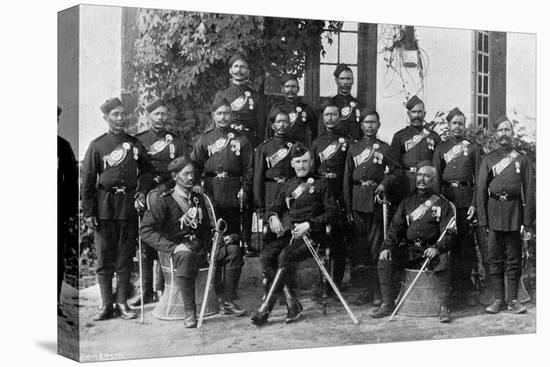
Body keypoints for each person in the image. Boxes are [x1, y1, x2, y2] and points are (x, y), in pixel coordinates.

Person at [140, 155, 243, 328]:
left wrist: (218, 239)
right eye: (186, 174)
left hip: (203, 249)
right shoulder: (163, 200)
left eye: (192, 174)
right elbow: (145, 231)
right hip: (179, 253)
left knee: (233, 251)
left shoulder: (199, 198)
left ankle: (227, 300)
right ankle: (190, 312)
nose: (190, 178)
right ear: (175, 176)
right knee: (186, 256)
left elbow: (206, 228)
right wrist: (173, 247)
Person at [81, 97, 153, 321]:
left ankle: (122, 302)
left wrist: (141, 192)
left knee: (124, 255)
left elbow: (148, 172)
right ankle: (106, 305)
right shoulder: (97, 145)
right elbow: (88, 181)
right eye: (115, 115)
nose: (120, 118)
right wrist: (90, 212)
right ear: (106, 118)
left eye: (123, 114)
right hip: (104, 205)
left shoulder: (134, 144)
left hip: (128, 205)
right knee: (104, 257)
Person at [250, 143, 336, 326]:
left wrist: (310, 224)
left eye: (305, 161)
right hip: (292, 235)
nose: (302, 165)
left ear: (311, 162)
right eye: (298, 161)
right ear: (292, 164)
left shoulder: (321, 184)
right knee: (266, 255)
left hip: (314, 236)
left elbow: (332, 213)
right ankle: (291, 302)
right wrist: (272, 217)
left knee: (285, 256)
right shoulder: (288, 186)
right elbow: (273, 207)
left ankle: (266, 308)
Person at [370, 161, 456, 323]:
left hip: (430, 251)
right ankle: (388, 304)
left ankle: (444, 307)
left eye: (426, 176)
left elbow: (449, 232)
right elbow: (395, 228)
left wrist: (437, 247)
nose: (422, 179)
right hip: (410, 250)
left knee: (444, 260)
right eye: (419, 175)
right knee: (384, 259)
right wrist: (387, 247)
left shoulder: (443, 204)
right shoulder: (407, 202)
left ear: (434, 180)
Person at [191, 96, 253, 315]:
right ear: (213, 115)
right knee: (213, 246)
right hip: (211, 195)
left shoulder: (241, 140)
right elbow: (194, 167)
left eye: (227, 113)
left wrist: (244, 188)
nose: (223, 117)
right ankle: (213, 294)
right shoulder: (204, 140)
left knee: (233, 245)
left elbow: (249, 168)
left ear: (231, 114)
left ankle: (229, 297)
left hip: (234, 195)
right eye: (219, 113)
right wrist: (197, 186)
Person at [134, 98, 192, 305]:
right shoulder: (138, 141)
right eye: (156, 114)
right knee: (146, 241)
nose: (160, 118)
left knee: (166, 238)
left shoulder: (176, 141)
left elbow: (186, 168)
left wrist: (168, 188)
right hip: (147, 194)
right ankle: (145, 289)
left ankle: (162, 288)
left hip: (169, 194)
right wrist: (140, 192)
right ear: (148, 116)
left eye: (163, 114)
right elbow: (137, 171)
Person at [343, 110, 403, 305]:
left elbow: (397, 171)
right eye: (366, 122)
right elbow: (347, 178)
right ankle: (366, 290)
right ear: (361, 125)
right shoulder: (354, 148)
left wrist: (384, 184)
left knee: (377, 247)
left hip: (375, 202)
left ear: (379, 125)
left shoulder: (385, 148)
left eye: (373, 122)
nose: (369, 126)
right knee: (361, 250)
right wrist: (348, 206)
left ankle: (379, 292)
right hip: (357, 200)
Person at [477, 116, 535, 314]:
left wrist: (527, 222)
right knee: (494, 258)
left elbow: (529, 191)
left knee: (513, 258)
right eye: (500, 130)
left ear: (512, 133)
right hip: (493, 212)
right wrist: (483, 219)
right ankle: (498, 300)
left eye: (507, 130)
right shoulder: (488, 159)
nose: (503, 133)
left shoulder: (521, 159)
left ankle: (512, 300)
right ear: (495, 135)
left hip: (514, 213)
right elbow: (480, 191)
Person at [432, 107, 483, 307]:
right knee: (446, 244)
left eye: (461, 123)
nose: (457, 127)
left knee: (465, 246)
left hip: (465, 200)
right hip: (446, 200)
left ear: (465, 126)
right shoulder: (441, 148)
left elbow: (479, 180)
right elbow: (436, 178)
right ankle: (447, 290)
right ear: (449, 125)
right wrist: (437, 204)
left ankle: (464, 289)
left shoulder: (473, 148)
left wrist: (474, 204)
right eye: (454, 123)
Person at [310, 101, 354, 291]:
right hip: (321, 193)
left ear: (340, 117)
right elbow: (312, 172)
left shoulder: (348, 142)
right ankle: (323, 283)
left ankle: (336, 283)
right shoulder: (316, 143)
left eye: (333, 114)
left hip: (340, 192)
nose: (330, 118)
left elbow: (350, 171)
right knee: (322, 240)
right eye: (327, 115)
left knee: (339, 241)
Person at [253, 108, 296, 256]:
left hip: (290, 192)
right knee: (269, 232)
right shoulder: (264, 148)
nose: (282, 125)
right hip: (271, 191)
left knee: (289, 229)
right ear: (272, 125)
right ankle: (268, 268)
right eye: (279, 121)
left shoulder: (295, 146)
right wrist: (259, 203)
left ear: (289, 124)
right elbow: (258, 177)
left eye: (285, 121)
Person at [390, 95, 441, 195]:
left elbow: (437, 165)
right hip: (406, 184)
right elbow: (394, 164)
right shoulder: (399, 136)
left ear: (424, 114)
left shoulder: (434, 137)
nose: (416, 115)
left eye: (419, 112)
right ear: (408, 114)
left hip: (427, 184)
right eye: (413, 112)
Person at [215, 54, 267, 148]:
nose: (239, 70)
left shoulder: (257, 98)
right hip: (226, 142)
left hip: (249, 142)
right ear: (230, 71)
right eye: (236, 66)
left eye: (242, 67)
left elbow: (261, 128)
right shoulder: (222, 96)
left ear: (248, 71)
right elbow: (216, 123)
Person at [58, 106, 78, 319]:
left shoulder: (63, 147)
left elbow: (71, 182)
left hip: (57, 212)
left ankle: (54, 301)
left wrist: (70, 211)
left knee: (55, 258)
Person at [267, 74, 317, 146]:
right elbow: (269, 132)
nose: (290, 90)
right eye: (287, 86)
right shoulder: (277, 108)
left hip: (299, 149)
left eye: (293, 87)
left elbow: (315, 132)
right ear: (282, 89)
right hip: (280, 149)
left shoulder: (306, 109)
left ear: (298, 89)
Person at [325, 64, 362, 140]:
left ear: (353, 81)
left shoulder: (359, 105)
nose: (345, 82)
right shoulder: (328, 105)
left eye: (348, 79)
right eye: (342, 78)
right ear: (336, 80)